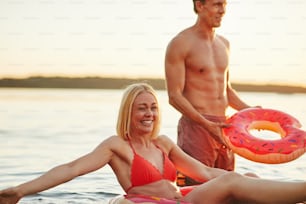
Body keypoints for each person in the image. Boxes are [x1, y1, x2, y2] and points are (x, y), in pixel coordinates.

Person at [0, 83, 305, 204]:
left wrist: (235, 179)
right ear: (129, 112)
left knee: (245, 178)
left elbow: (205, 173)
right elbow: (72, 168)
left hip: (181, 198)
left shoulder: (163, 142)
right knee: (234, 184)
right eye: (142, 108)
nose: (149, 113)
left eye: (153, 107)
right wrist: (21, 190)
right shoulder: (116, 145)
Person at [164, 0, 257, 183]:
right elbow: (174, 96)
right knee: (197, 188)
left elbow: (226, 91)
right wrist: (207, 124)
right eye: (216, 4)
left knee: (227, 188)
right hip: (197, 126)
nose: (222, 11)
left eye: (224, 5)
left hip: (226, 128)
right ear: (200, 5)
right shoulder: (180, 43)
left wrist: (252, 111)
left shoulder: (225, 44)